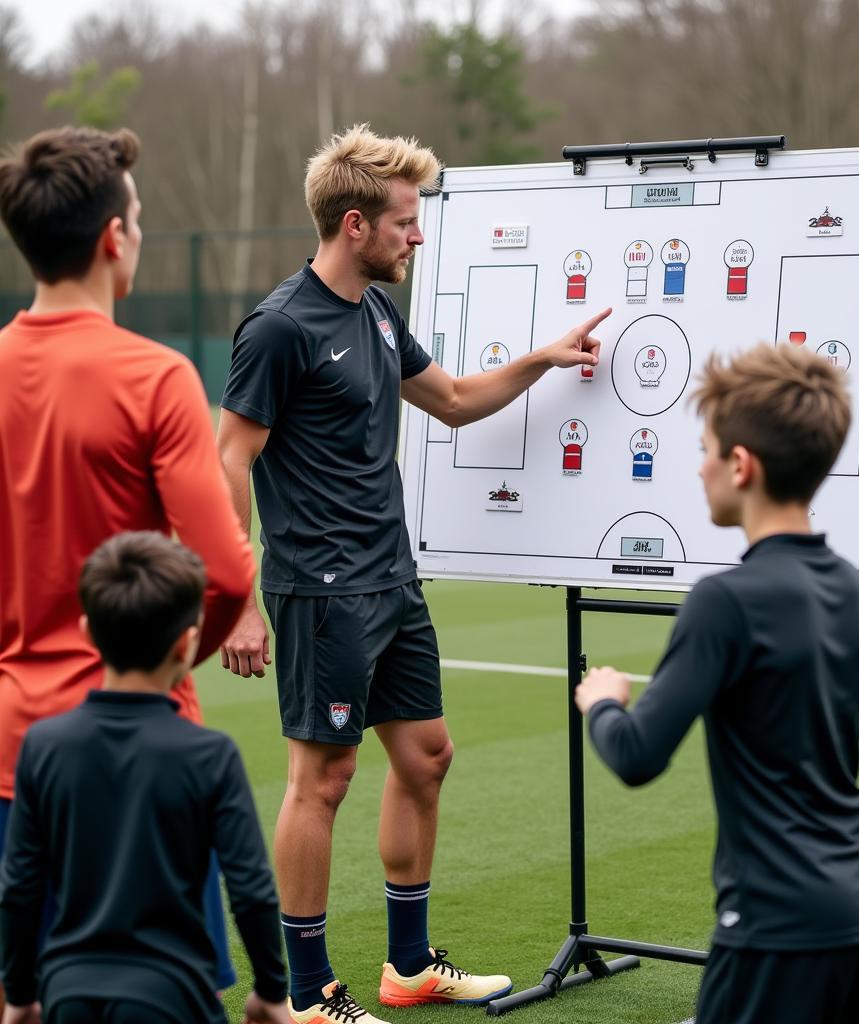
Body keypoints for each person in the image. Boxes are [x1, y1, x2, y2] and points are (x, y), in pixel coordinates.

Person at [217, 122, 610, 1023]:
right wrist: (237, 596)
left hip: (393, 582)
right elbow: (228, 461)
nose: (417, 236)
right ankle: (310, 994)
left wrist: (543, 359)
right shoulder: (279, 328)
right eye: (405, 222)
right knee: (321, 780)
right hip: (318, 591)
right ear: (355, 225)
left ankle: (407, 969)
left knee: (426, 759)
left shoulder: (378, 315)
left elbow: (460, 403)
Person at [573, 343, 859, 1024]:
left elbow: (636, 756)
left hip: (778, 927)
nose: (702, 466)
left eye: (707, 449)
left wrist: (603, 704)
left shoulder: (724, 601)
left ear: (741, 466)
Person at [0, 126, 256, 994]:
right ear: (115, 238)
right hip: (145, 757)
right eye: (140, 217)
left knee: (24, 997)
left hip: (13, 760)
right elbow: (224, 572)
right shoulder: (156, 376)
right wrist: (171, 658)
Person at [0, 531, 288, 1024]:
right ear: (187, 642)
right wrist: (271, 991)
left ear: (88, 634)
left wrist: (21, 994)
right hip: (174, 996)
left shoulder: (44, 746)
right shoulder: (209, 754)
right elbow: (251, 888)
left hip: (68, 994)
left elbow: (21, 885)